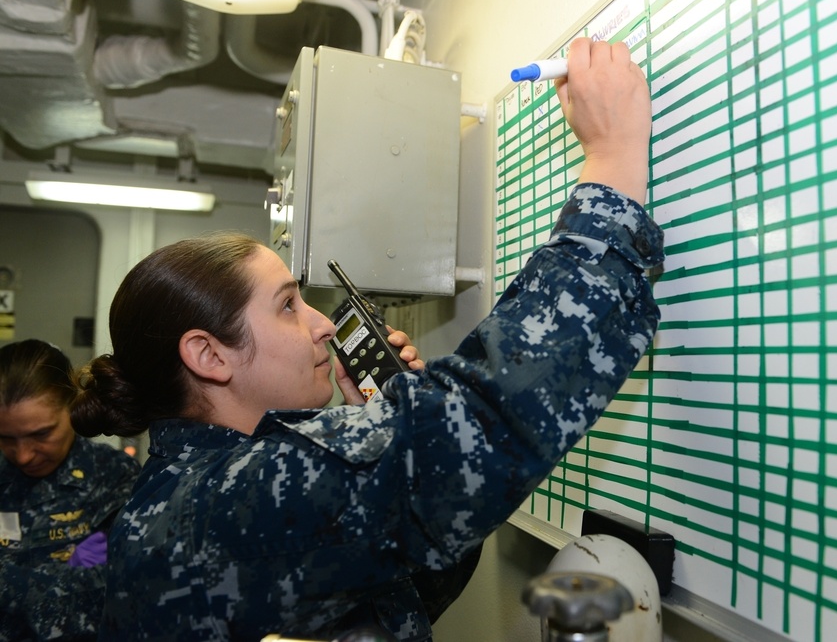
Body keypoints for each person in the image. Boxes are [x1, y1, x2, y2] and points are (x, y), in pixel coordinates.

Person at [71, 36, 663, 641]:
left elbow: (399, 587)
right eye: (286, 306)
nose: (323, 324)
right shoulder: (209, 510)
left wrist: (372, 426)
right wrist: (612, 161)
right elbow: (478, 419)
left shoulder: (190, 491)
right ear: (209, 355)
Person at [0, 339, 141, 640]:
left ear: (72, 406)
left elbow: (113, 591)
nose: (23, 455)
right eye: (6, 438)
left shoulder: (111, 477)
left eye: (41, 434)